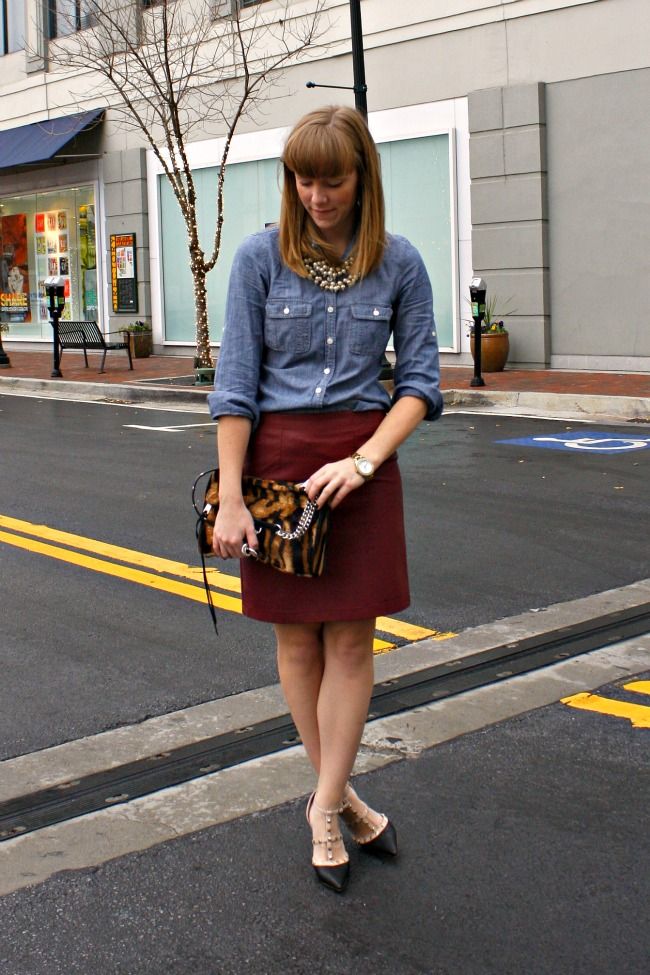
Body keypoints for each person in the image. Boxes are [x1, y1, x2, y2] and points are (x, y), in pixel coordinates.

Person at [207, 105, 443, 893]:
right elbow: (235, 389)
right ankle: (339, 802)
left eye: (332, 179)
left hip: (360, 469)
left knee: (352, 643)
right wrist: (233, 498)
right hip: (278, 473)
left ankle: (322, 803)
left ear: (362, 177)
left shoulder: (400, 264)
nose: (316, 195)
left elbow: (418, 387)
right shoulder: (257, 259)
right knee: (298, 645)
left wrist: (368, 460)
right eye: (303, 179)